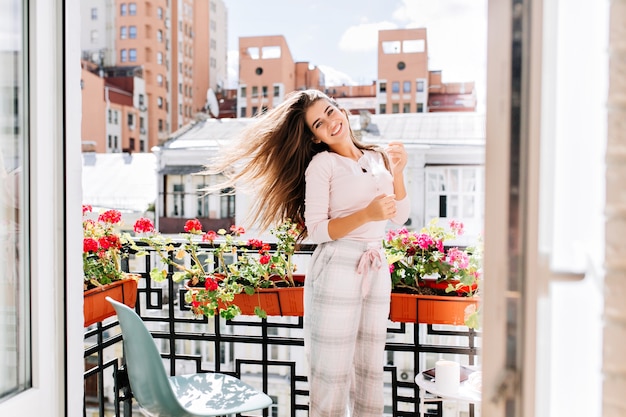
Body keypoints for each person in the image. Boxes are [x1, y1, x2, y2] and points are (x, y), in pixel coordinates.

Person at [205, 89, 410, 417]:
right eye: (319, 122)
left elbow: (399, 215)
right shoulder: (322, 165)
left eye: (330, 112)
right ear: (314, 137)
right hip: (338, 265)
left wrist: (398, 173)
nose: (331, 122)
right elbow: (316, 231)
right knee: (331, 374)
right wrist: (367, 216)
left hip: (376, 266)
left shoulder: (378, 157)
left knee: (370, 370)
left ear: (341, 110)